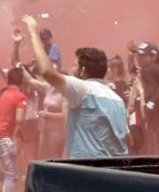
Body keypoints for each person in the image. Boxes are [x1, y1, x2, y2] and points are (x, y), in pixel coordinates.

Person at [23, 15, 128, 158]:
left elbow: (46, 71)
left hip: (88, 172)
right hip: (113, 172)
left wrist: (34, 34)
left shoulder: (82, 89)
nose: (72, 70)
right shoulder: (117, 100)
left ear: (83, 70)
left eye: (75, 65)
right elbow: (127, 138)